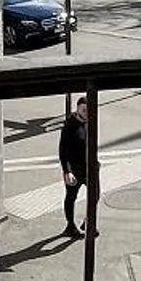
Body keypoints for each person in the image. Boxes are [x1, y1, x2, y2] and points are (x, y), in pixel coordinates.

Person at [59, 96, 92, 239]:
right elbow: (63, 150)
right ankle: (70, 226)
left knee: (95, 195)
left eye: (88, 110)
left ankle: (88, 222)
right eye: (84, 110)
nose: (86, 113)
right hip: (75, 168)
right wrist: (67, 171)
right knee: (71, 197)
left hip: (89, 167)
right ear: (78, 109)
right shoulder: (70, 125)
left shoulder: (90, 122)